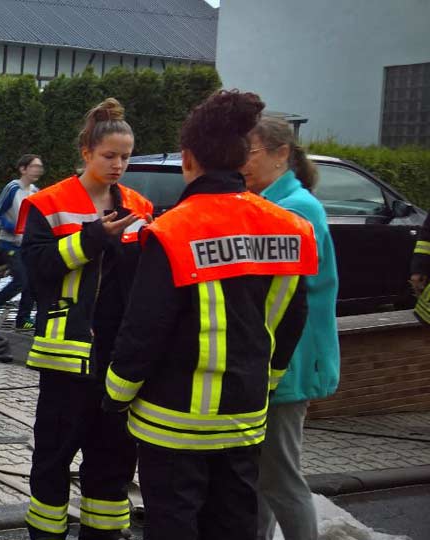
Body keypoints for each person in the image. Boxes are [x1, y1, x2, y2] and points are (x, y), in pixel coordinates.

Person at [103, 90, 316, 540]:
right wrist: (267, 379)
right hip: (244, 416)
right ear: (242, 160)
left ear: (187, 159)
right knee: (234, 525)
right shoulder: (292, 228)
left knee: (174, 527)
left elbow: (144, 330)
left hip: (172, 423)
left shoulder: (172, 231)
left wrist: (116, 395)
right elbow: (292, 319)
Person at [17, 99, 152, 540]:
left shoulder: (140, 206)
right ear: (86, 152)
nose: (118, 165)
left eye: (125, 157)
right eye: (109, 156)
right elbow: (36, 271)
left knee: (113, 459)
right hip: (68, 359)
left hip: (120, 358)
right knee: (53, 458)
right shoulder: (50, 203)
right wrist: (93, 238)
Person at [243, 116, 338, 540]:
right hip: (280, 358)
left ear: (281, 154)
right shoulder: (279, 201)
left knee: (280, 476)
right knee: (265, 474)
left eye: (251, 152)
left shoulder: (293, 209)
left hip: (290, 362)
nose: (242, 162)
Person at [0, 154, 42, 330]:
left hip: (25, 246)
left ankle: (23, 320)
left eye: (40, 167)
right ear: (23, 169)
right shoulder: (13, 188)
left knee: (30, 281)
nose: (38, 170)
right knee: (21, 280)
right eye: (34, 166)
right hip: (9, 244)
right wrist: (13, 228)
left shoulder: (35, 191)